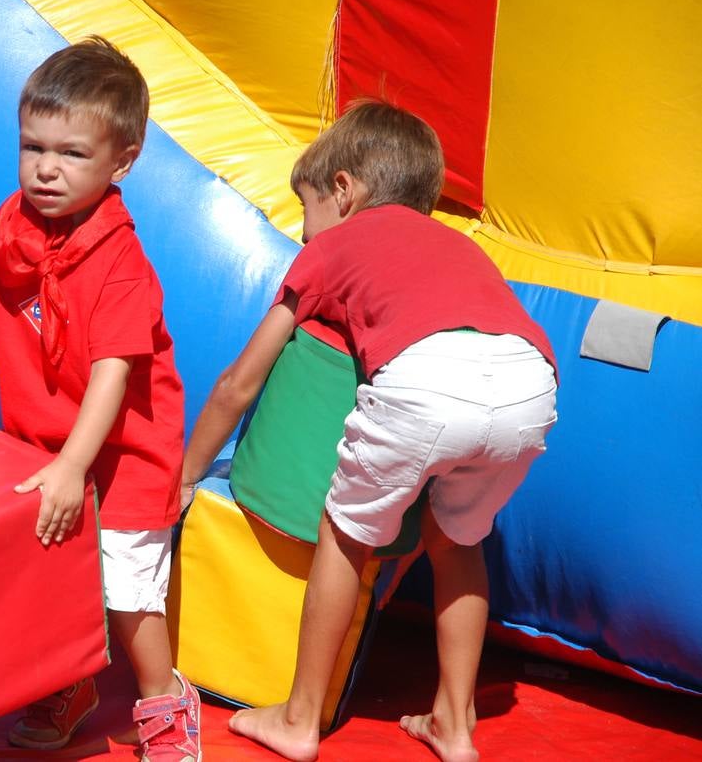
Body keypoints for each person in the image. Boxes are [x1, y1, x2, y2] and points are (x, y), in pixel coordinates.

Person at [181, 100, 558, 762]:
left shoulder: (338, 246)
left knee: (344, 531)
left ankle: (297, 719)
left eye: (306, 215)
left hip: (427, 381)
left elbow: (239, 381)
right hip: (529, 385)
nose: (304, 237)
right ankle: (456, 724)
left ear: (343, 191)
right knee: (455, 542)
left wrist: (184, 473)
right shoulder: (457, 247)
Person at [0, 36, 200, 762]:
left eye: (71, 153)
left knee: (126, 587)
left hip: (121, 452)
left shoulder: (119, 261)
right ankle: (69, 679)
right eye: (32, 147)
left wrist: (74, 466)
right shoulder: (11, 228)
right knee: (47, 573)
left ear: (122, 161)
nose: (46, 169)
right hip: (43, 442)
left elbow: (113, 375)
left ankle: (161, 698)